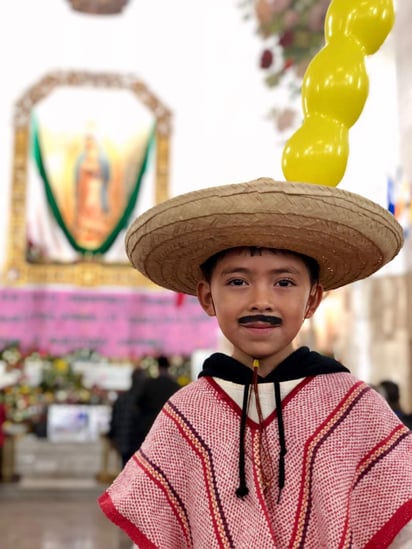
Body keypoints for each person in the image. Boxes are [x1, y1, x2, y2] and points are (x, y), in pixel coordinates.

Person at [99, 177, 412, 548]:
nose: (261, 300)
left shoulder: (354, 407)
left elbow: (398, 528)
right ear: (206, 297)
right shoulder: (185, 414)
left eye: (283, 283)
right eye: (237, 282)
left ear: (313, 300)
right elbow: (159, 528)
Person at [134, 355, 180, 446]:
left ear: (158, 367)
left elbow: (138, 405)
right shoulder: (175, 386)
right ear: (168, 367)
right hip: (168, 430)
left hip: (149, 428)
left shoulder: (149, 385)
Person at [107, 366, 146, 468]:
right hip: (138, 443)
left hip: (124, 442)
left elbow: (114, 421)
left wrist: (112, 437)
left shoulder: (122, 399)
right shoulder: (145, 401)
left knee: (126, 470)